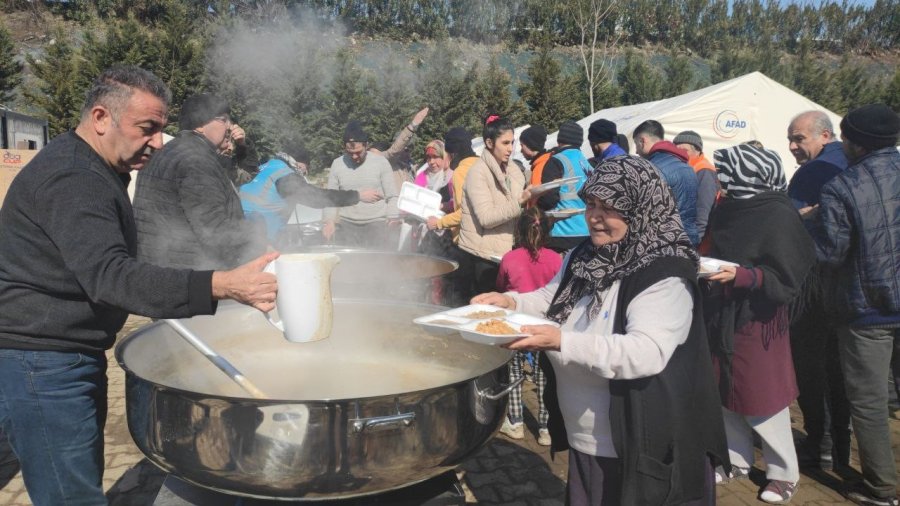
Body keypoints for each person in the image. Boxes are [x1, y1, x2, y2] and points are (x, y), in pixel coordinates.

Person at [0, 65, 278, 506]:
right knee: (68, 495)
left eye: (160, 129)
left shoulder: (93, 167)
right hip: (42, 362)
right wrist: (220, 284)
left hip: (60, 354)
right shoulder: (74, 178)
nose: (155, 141)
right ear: (100, 118)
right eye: (146, 128)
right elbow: (111, 276)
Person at [473, 155, 728, 505]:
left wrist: (562, 341)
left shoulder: (664, 274)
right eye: (591, 203)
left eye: (609, 207)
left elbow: (645, 353)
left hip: (637, 441)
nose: (593, 216)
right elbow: (553, 298)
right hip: (588, 433)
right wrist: (511, 302)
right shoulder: (585, 254)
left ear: (639, 208)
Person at [704, 143, 815, 504]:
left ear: (747, 174)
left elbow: (788, 274)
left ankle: (784, 473)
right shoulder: (729, 208)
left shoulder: (777, 214)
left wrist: (741, 276)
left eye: (727, 172)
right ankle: (736, 460)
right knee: (724, 392)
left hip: (759, 318)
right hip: (722, 312)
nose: (721, 179)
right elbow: (716, 248)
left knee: (762, 399)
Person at [808, 104, 900, 506]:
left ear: (856, 142)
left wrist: (806, 224)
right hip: (879, 305)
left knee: (868, 403)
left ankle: (881, 488)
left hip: (868, 310)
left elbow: (829, 253)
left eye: (844, 137)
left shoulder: (842, 188)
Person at [783, 110, 851, 473]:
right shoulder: (858, 165)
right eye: (791, 139)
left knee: (811, 365)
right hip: (851, 288)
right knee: (839, 368)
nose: (792, 146)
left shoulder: (813, 172)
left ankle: (820, 443)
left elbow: (792, 225)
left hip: (813, 284)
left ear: (825, 136)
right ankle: (839, 445)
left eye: (798, 138)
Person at [134, 93, 265, 270]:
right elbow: (214, 228)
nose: (230, 126)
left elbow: (241, 174)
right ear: (201, 125)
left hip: (160, 265)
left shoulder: (175, 151)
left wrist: (242, 147)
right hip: (186, 274)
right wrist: (258, 240)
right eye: (223, 119)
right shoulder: (197, 160)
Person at [495, 207, 561, 447]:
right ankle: (545, 427)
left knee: (513, 373)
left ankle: (515, 422)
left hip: (516, 324)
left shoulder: (509, 258)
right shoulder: (557, 259)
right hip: (544, 325)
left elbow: (502, 285)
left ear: (519, 230)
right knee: (544, 376)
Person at [239, 144, 381, 245]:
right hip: (260, 238)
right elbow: (316, 198)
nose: (303, 174)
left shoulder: (267, 165)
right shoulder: (285, 175)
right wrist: (357, 196)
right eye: (304, 169)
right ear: (298, 163)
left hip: (240, 230)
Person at [458, 114, 529, 296]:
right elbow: (487, 218)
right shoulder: (477, 173)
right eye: (505, 143)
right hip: (481, 257)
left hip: (503, 253)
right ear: (489, 143)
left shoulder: (512, 170)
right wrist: (520, 202)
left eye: (512, 143)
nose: (510, 149)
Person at [426, 127, 481, 306]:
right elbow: (476, 201)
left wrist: (439, 223)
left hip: (466, 241)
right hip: (484, 242)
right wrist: (447, 205)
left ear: (452, 152)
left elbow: (465, 212)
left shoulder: (461, 172)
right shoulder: (481, 164)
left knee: (462, 296)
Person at [322, 121, 399, 248]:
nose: (354, 156)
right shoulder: (337, 164)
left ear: (366, 145)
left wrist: (393, 218)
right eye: (350, 152)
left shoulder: (381, 162)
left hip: (377, 225)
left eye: (358, 152)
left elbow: (392, 196)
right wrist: (328, 221)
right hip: (347, 226)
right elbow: (331, 198)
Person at [633, 120, 700, 246]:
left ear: (643, 141)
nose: (636, 151)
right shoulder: (688, 167)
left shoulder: (651, 169)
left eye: (636, 144)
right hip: (689, 238)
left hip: (663, 242)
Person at [533, 120, 591, 253]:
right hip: (586, 231)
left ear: (560, 140)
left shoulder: (557, 160)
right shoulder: (586, 164)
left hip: (561, 232)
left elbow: (548, 198)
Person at [369, 107, 429, 192]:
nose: (405, 152)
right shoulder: (389, 163)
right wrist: (413, 125)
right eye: (402, 149)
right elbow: (394, 150)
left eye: (408, 149)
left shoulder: (414, 168)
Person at [673, 130, 718, 241]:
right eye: (676, 150)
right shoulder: (683, 168)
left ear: (697, 150)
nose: (679, 154)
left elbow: (703, 211)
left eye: (684, 150)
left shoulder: (704, 170)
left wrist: (694, 242)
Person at [519, 125, 552, 194]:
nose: (521, 150)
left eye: (522, 145)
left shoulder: (541, 167)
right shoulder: (546, 161)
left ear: (530, 145)